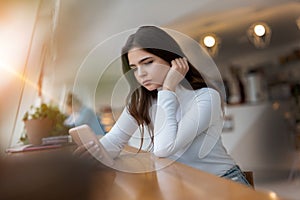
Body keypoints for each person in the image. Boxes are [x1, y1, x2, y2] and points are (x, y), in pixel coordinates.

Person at [74, 25, 251, 186]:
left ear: (172, 59)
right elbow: (115, 140)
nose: (141, 74)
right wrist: (91, 155)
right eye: (134, 68)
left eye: (148, 62)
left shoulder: (206, 97)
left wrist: (168, 88)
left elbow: (163, 149)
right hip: (186, 186)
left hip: (224, 182)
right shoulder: (142, 100)